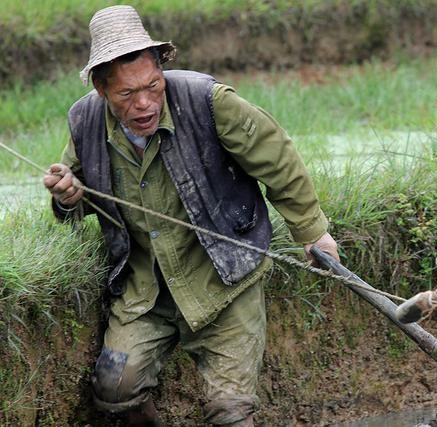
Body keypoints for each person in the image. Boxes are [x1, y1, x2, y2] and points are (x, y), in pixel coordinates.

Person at [42, 5, 339, 426]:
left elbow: (278, 160)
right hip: (146, 290)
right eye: (128, 94)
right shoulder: (85, 122)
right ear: (102, 89)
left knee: (230, 413)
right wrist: (67, 197)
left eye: (153, 86)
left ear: (161, 71)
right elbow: (74, 194)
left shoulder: (209, 102)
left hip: (225, 278)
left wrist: (313, 233)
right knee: (114, 389)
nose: (144, 103)